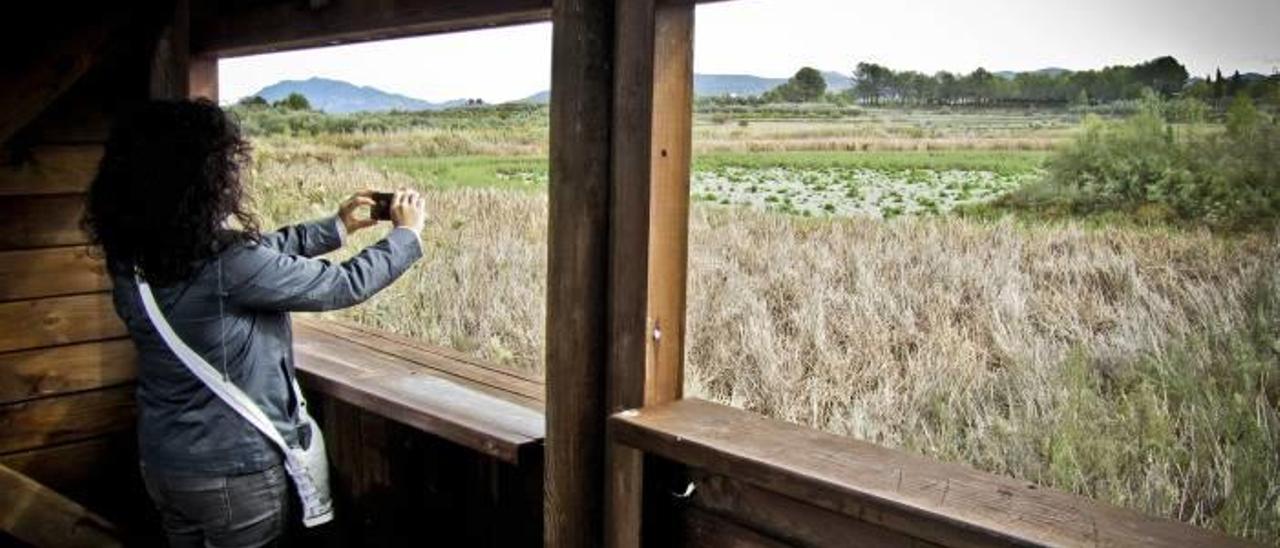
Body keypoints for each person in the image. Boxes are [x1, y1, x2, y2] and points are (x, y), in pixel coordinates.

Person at [82, 99, 426, 547]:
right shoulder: (228, 264)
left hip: (165, 464)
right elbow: (341, 284)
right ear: (202, 180)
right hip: (233, 473)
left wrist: (335, 228)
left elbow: (258, 253)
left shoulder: (134, 256)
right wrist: (405, 236)